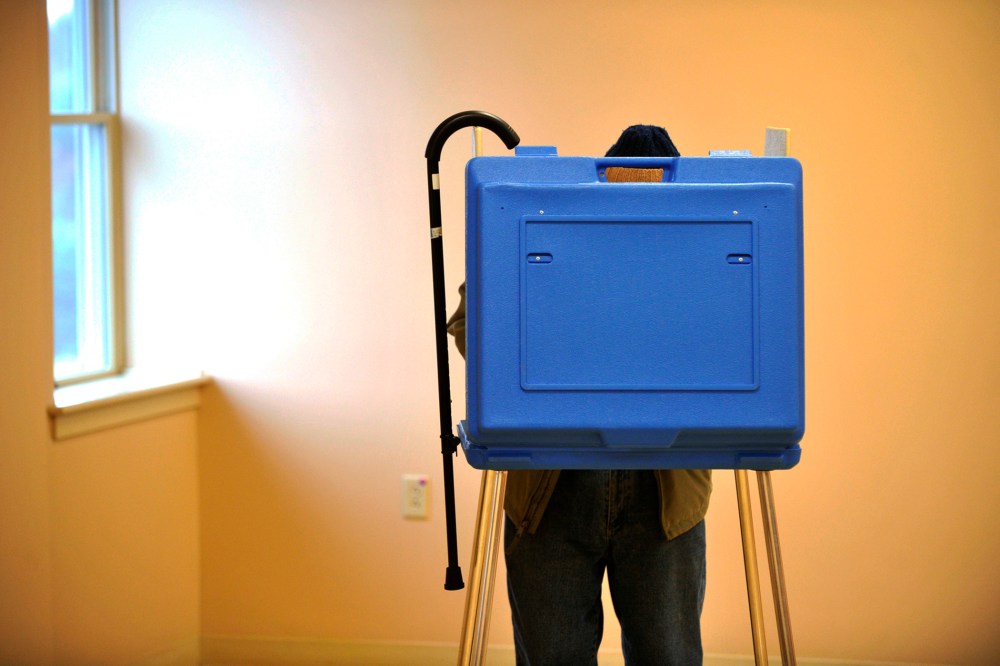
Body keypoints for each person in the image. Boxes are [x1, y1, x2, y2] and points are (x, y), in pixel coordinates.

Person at [447, 124, 711, 666]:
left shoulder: (701, 252)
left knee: (668, 655)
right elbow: (467, 325)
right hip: (550, 491)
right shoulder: (552, 234)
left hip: (663, 495)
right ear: (604, 186)